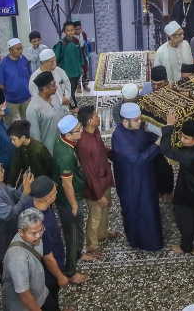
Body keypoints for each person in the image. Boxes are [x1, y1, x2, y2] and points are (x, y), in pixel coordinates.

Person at [110, 102, 162, 251]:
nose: (140, 122)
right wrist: (158, 144)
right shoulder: (119, 137)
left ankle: (154, 241)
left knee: (150, 208)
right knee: (136, 211)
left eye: (140, 119)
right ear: (125, 121)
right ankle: (139, 242)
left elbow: (144, 140)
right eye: (137, 120)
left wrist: (158, 138)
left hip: (145, 176)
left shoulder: (136, 128)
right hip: (131, 181)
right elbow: (137, 159)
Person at [161, 113, 194, 255]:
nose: (181, 140)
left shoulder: (189, 156)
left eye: (185, 138)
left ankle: (186, 247)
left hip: (187, 194)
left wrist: (169, 126)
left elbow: (165, 149)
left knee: (185, 221)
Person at [30, 176, 82, 304]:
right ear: (48, 198)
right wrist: (60, 277)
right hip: (48, 274)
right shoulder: (42, 225)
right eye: (54, 191)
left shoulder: (32, 205)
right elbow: (47, 257)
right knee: (50, 297)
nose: (56, 193)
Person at [74, 106, 116, 259]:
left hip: (104, 178)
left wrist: (114, 154)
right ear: (90, 120)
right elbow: (89, 173)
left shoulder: (95, 133)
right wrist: (98, 195)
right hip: (94, 187)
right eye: (96, 115)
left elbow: (102, 149)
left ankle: (102, 233)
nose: (99, 117)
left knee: (106, 208)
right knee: (95, 215)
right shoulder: (84, 144)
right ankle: (92, 246)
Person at [0, 155, 35, 264]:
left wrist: (23, 186)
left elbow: (14, 196)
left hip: (11, 233)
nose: (3, 171)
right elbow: (12, 214)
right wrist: (26, 192)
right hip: (2, 241)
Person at [2, 208, 60, 311]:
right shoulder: (18, 259)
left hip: (42, 295)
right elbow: (24, 294)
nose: (38, 236)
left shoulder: (34, 238)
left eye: (41, 230)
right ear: (21, 232)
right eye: (33, 233)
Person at [52, 114, 86, 278]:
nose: (81, 132)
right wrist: (74, 205)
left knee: (77, 231)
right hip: (68, 200)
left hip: (73, 195)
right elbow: (67, 185)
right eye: (78, 131)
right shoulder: (66, 155)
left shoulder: (64, 142)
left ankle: (77, 256)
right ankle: (71, 271)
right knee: (73, 235)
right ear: (68, 135)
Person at [7, 119, 54, 186]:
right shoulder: (20, 147)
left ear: (23, 137)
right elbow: (15, 166)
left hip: (42, 183)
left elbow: (51, 167)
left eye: (14, 139)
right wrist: (10, 184)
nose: (12, 142)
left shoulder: (39, 150)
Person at [27, 72, 62, 155]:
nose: (56, 87)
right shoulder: (33, 109)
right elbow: (35, 137)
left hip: (61, 145)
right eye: (53, 86)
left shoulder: (54, 96)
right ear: (45, 89)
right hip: (48, 151)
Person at [0, 38, 32, 123]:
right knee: (8, 124)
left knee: (27, 122)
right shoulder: (3, 64)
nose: (20, 51)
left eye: (21, 48)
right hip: (11, 100)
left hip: (26, 98)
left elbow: (29, 76)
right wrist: (2, 100)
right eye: (17, 49)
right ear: (10, 50)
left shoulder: (23, 59)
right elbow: (0, 84)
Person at [30, 51, 73, 117]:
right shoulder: (35, 78)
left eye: (55, 60)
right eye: (51, 62)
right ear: (43, 63)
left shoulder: (60, 71)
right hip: (47, 112)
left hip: (63, 107)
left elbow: (67, 85)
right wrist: (60, 101)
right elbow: (37, 97)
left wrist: (66, 97)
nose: (54, 64)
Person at [52, 22, 84, 95]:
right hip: (67, 71)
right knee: (68, 91)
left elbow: (80, 55)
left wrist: (81, 66)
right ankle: (71, 105)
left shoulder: (76, 41)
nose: (70, 32)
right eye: (68, 30)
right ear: (64, 31)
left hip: (77, 70)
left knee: (73, 89)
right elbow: (56, 56)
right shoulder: (62, 43)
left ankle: (71, 104)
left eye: (72, 30)